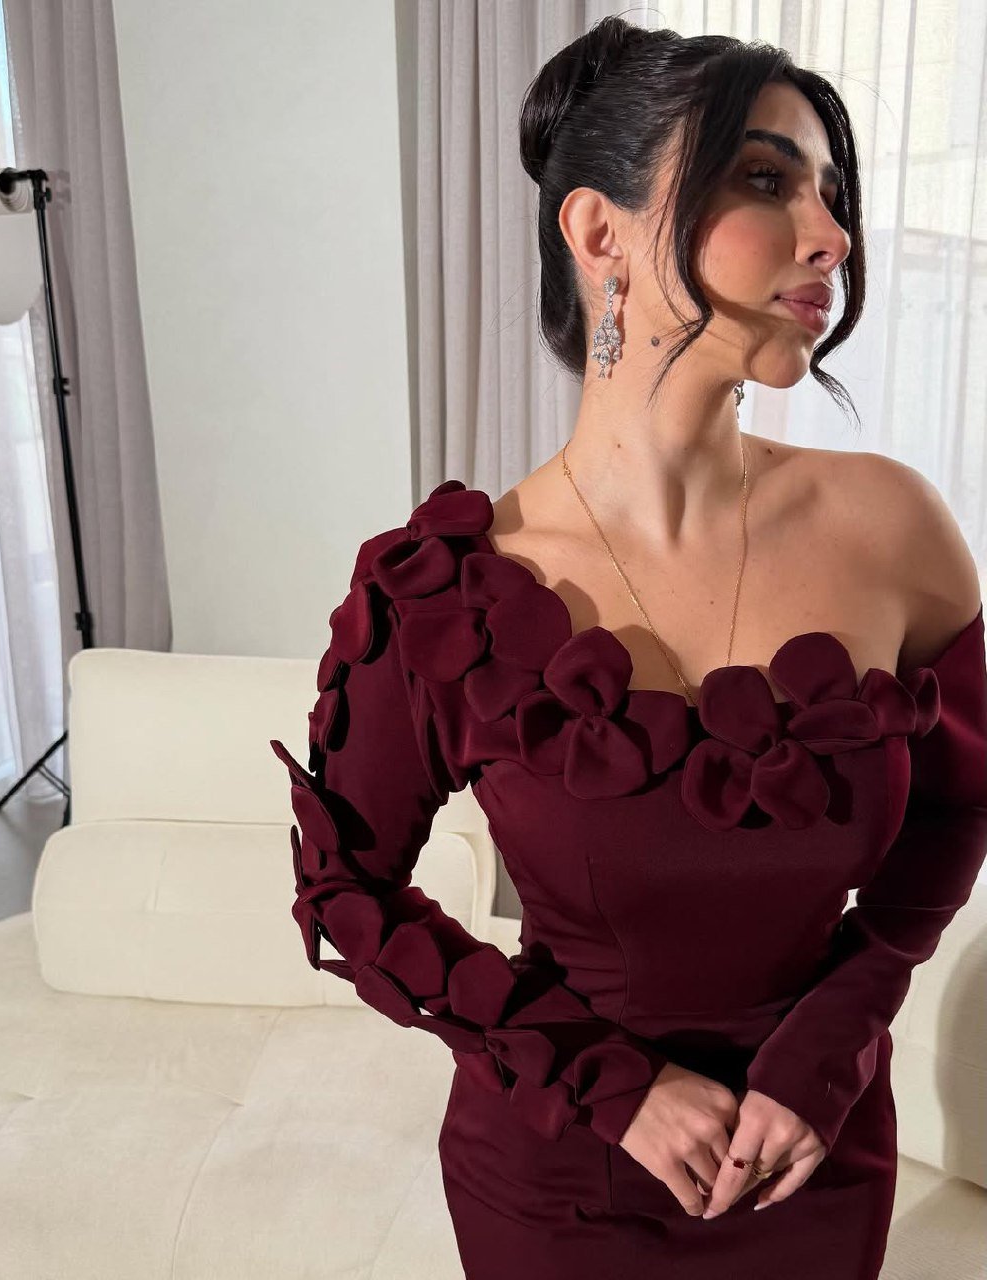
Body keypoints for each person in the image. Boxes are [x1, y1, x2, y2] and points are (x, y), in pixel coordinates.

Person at [270, 17, 987, 1279]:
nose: (831, 235)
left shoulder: (895, 530)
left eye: (831, 192)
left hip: (811, 1161)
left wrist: (834, 1038)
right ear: (599, 232)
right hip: (556, 1184)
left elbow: (957, 801)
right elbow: (345, 886)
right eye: (764, 179)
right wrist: (607, 1082)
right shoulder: (448, 594)